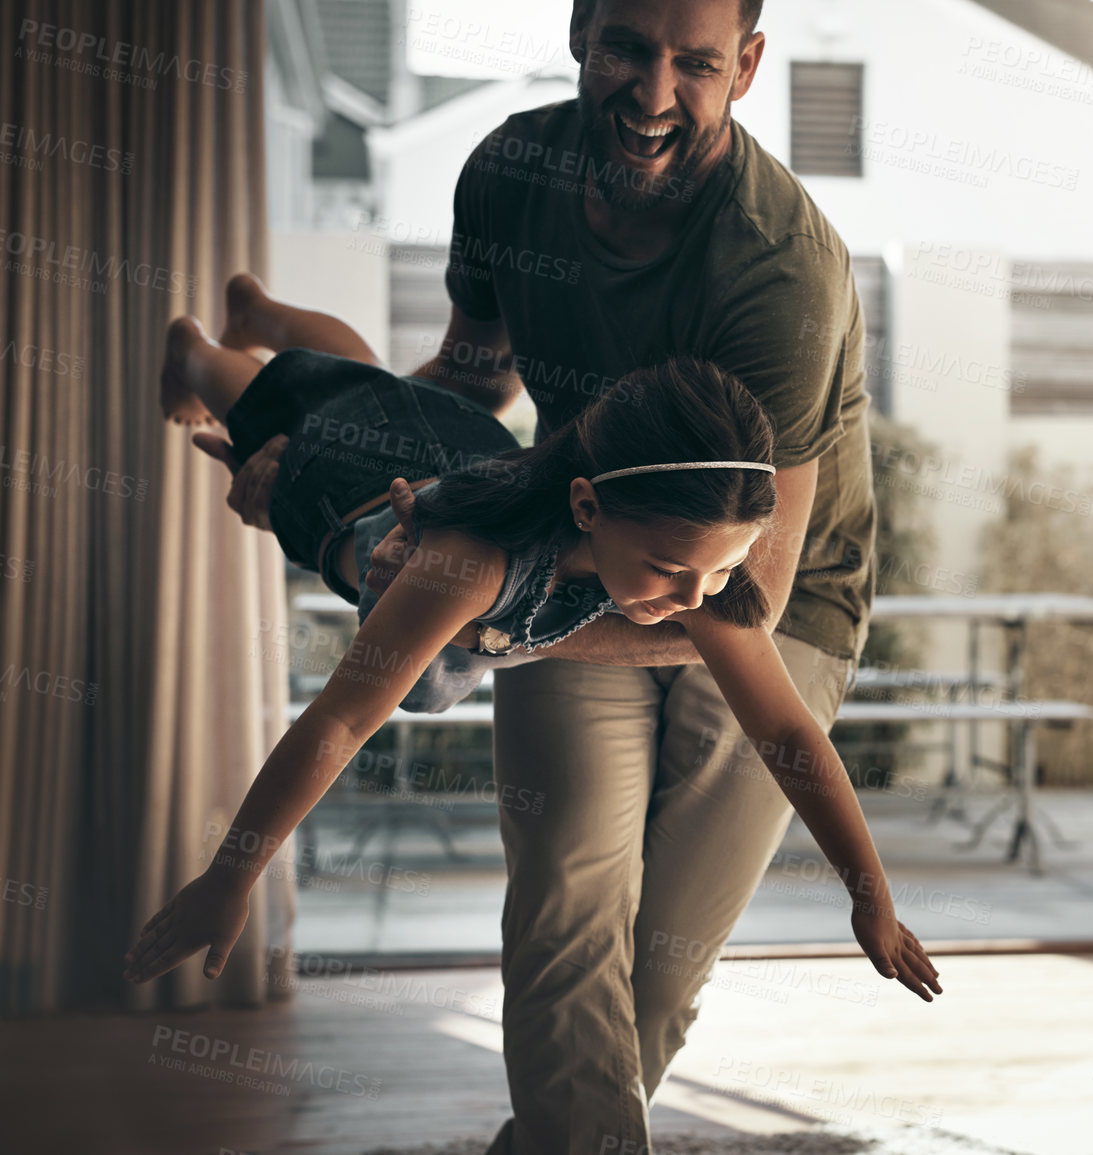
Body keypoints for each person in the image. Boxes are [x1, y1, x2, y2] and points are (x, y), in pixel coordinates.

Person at [194, 1, 884, 1150]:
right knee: (567, 922)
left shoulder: (780, 270)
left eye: (697, 65)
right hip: (579, 548)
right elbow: (467, 391)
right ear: (579, 30)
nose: (654, 93)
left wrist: (493, 623)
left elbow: (740, 596)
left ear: (749, 67)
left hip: (765, 600)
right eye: (628, 48)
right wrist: (316, 457)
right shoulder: (511, 170)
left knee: (654, 980)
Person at [123, 290, 941, 1014]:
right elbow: (339, 720)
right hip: (345, 487)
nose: (694, 600)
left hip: (451, 440)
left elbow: (791, 737)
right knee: (277, 405)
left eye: (723, 568)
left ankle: (259, 306)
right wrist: (232, 874)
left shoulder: (697, 578)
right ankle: (195, 341)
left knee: (372, 386)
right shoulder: (471, 564)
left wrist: (868, 894)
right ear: (587, 504)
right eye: (670, 569)